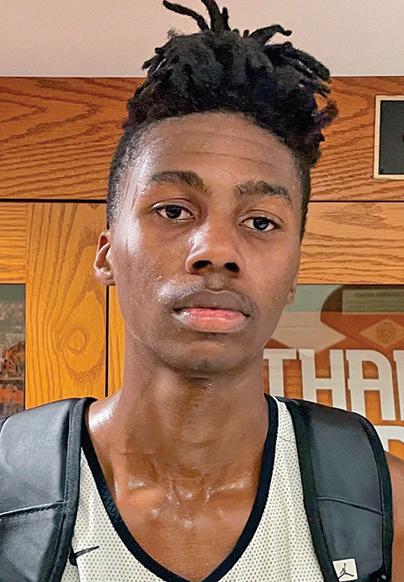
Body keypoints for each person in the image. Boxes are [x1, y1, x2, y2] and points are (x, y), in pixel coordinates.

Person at [1, 1, 403, 581]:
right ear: (107, 253)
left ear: (294, 272)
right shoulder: (11, 493)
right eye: (173, 210)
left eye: (260, 221)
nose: (216, 250)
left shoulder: (385, 504)